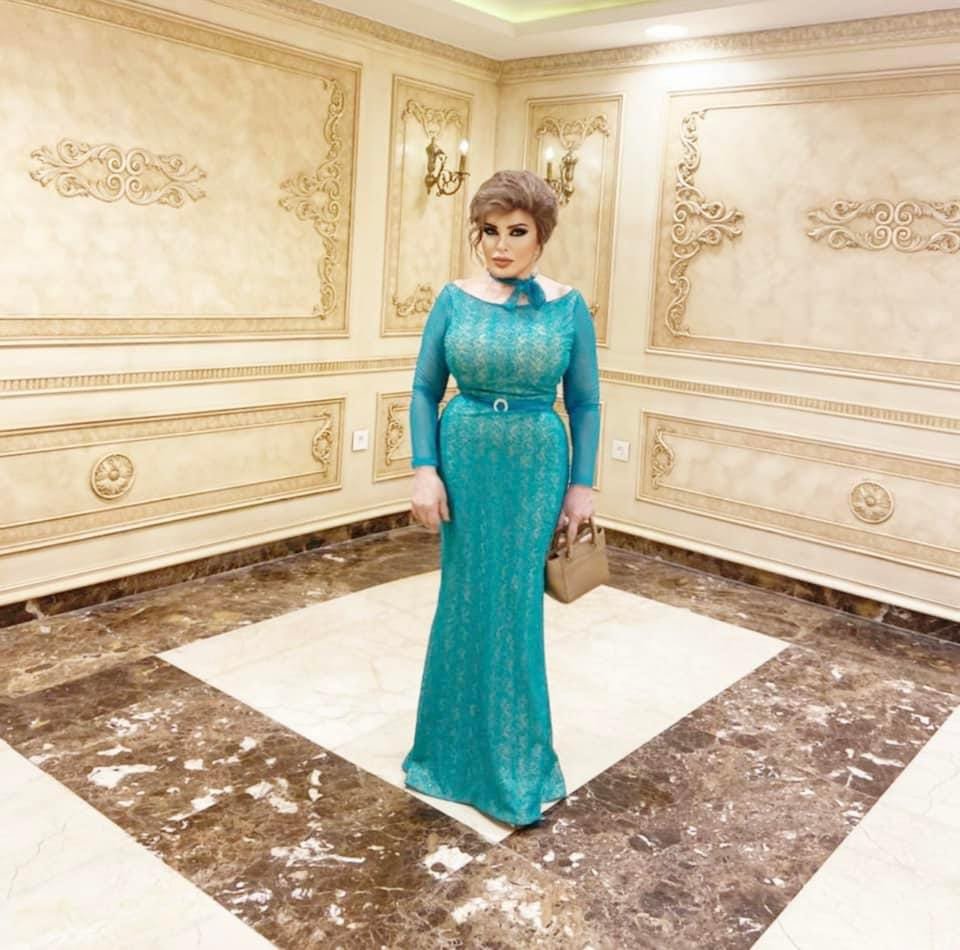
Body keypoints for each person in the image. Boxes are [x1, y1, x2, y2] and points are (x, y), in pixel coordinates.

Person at [400, 169, 601, 827]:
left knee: (514, 608)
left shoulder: (567, 306)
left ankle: (514, 767)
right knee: (462, 601)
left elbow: (587, 402)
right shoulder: (454, 300)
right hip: (464, 457)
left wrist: (581, 485)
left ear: (542, 237)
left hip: (536, 464)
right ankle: (446, 758)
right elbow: (425, 389)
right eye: (489, 231)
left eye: (517, 232)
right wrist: (425, 469)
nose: (500, 245)